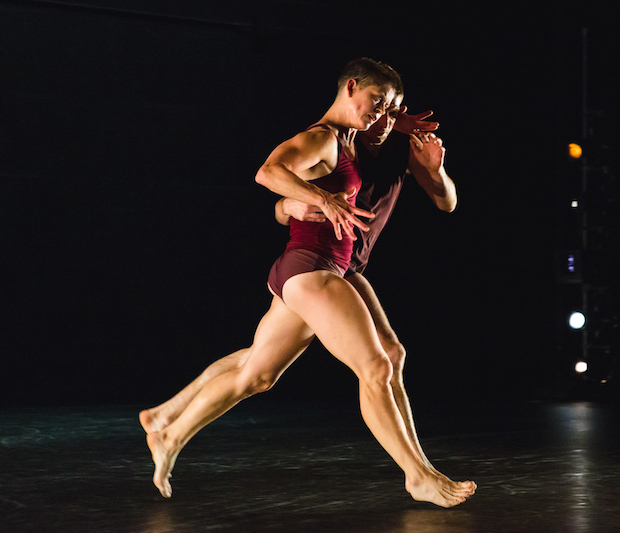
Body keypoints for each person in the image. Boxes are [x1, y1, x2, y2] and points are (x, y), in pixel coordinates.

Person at [144, 58, 476, 508]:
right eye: (376, 103)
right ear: (352, 88)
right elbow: (269, 173)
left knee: (257, 373)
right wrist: (308, 202)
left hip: (334, 268)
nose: (381, 115)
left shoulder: (366, 138)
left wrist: (415, 153)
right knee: (375, 367)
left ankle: (168, 429)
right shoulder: (323, 137)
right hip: (310, 267)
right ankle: (418, 476)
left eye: (390, 110)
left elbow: (443, 200)